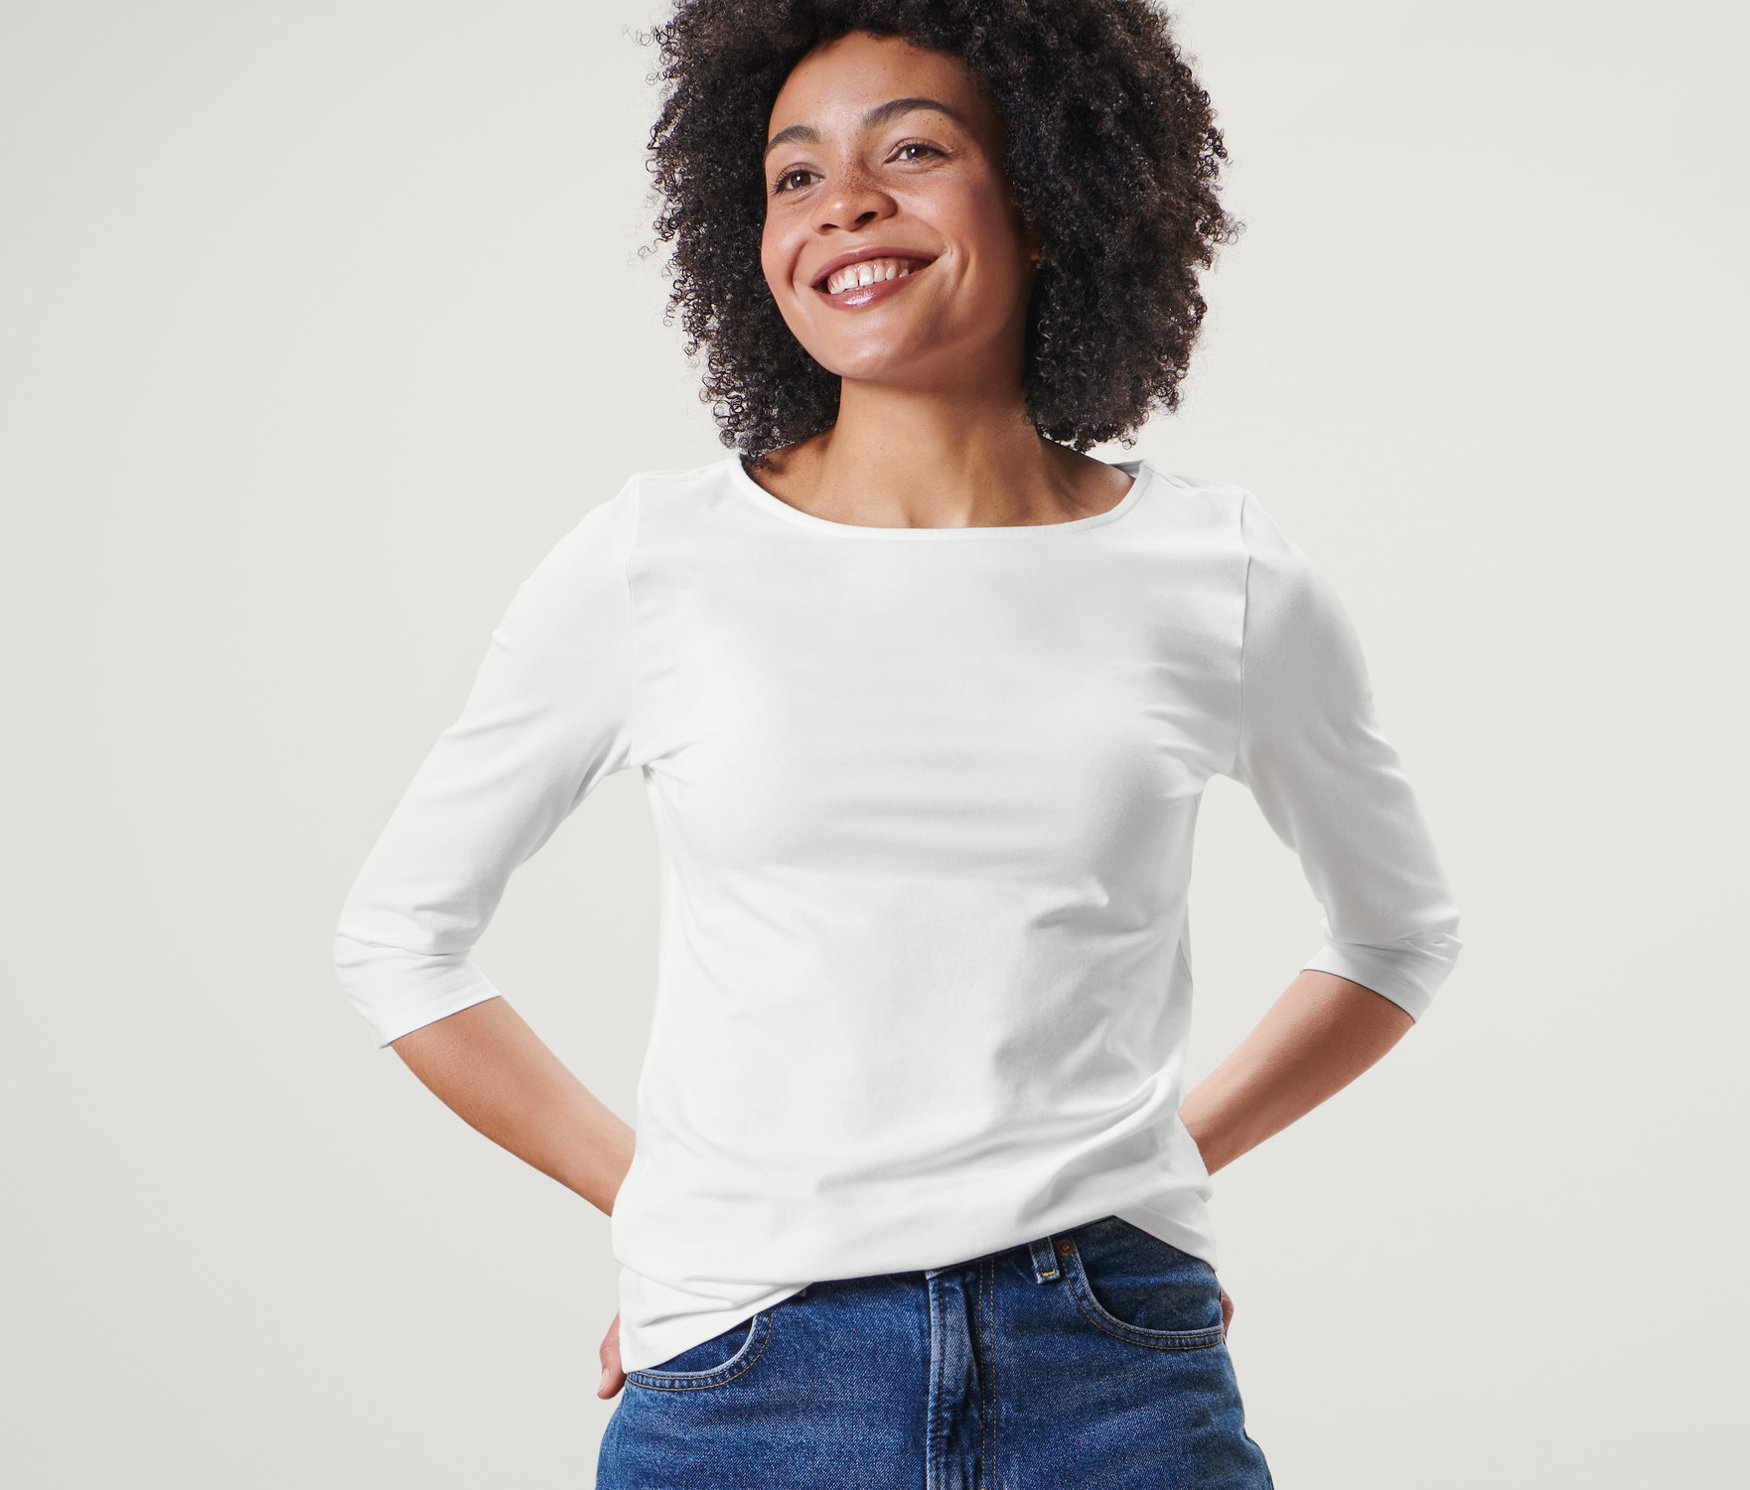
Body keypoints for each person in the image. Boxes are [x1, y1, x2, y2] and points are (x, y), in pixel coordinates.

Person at [331, 3, 1463, 1485]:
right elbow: (398, 937)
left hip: (1110, 1366)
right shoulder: (650, 560)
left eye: (912, 151)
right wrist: (665, 1209)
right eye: (793, 175)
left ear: (1051, 198)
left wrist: (1153, 1168)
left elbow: (1394, 936)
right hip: (746, 1370)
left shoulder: (1220, 569)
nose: (844, 201)